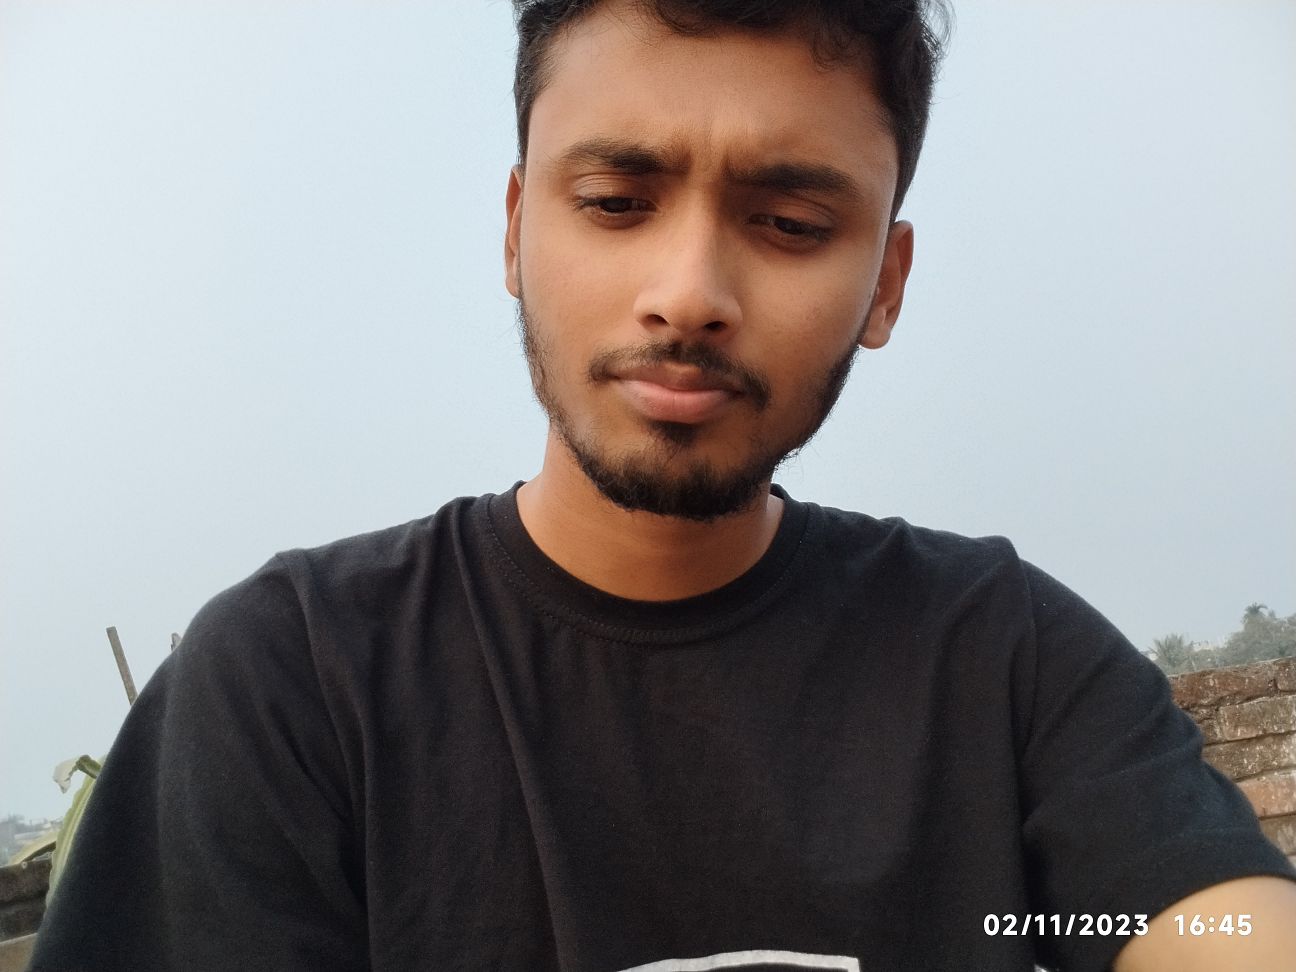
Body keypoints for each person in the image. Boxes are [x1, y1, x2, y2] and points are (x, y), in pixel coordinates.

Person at [29, 1, 1296, 970]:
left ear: (887, 284)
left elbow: (1217, 923)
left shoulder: (1006, 658)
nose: (688, 295)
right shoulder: (291, 683)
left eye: (790, 224)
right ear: (515, 229)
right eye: (615, 200)